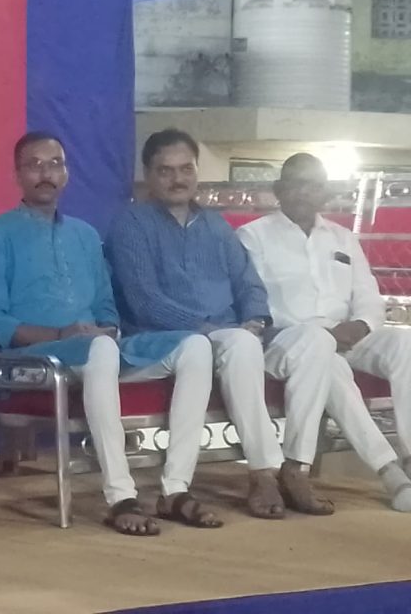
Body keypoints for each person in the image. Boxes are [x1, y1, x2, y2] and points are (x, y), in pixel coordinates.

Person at [0, 132, 219, 536]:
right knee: (101, 349)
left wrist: (108, 327)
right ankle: (120, 496)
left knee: (195, 346)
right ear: (17, 175)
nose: (46, 173)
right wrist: (62, 332)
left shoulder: (85, 235)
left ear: (67, 174)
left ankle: (175, 489)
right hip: (31, 361)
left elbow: (106, 305)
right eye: (35, 165)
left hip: (95, 350)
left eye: (55, 164)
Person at [107, 128, 328, 519]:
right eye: (165, 170)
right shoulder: (132, 225)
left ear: (197, 171)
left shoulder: (215, 225)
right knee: (240, 345)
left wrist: (255, 319)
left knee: (316, 340)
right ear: (148, 175)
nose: (177, 179)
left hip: (236, 336)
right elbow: (144, 300)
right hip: (171, 341)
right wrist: (207, 329)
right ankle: (262, 473)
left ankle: (297, 466)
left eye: (186, 169)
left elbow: (248, 283)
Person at [237, 153, 411, 512]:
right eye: (297, 184)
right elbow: (254, 302)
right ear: (279, 189)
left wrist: (361, 325)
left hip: (348, 335)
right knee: (322, 352)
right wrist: (325, 333)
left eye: (314, 185)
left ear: (325, 192)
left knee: (406, 343)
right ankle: (390, 472)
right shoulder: (253, 236)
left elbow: (368, 297)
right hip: (288, 340)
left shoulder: (342, 238)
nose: (305, 192)